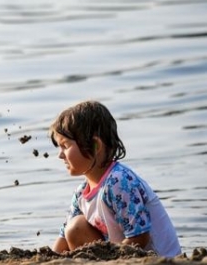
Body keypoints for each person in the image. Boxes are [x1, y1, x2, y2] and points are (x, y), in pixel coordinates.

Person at [49, 100, 181, 257]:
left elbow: (140, 237)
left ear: (96, 145)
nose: (60, 155)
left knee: (75, 227)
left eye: (65, 146)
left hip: (158, 257)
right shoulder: (81, 194)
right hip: (119, 253)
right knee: (75, 227)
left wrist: (110, 259)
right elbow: (63, 240)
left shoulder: (119, 181)